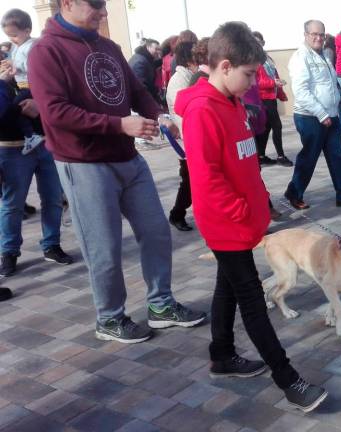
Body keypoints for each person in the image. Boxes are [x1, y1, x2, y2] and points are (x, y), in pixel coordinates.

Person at [29, 0, 206, 343]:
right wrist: (118, 125)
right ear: (67, 3)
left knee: (156, 231)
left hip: (127, 158)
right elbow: (54, 112)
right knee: (104, 247)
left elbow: (136, 91)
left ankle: (161, 304)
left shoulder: (108, 46)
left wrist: (159, 115)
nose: (104, 12)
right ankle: (109, 318)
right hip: (83, 163)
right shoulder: (45, 51)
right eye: (96, 4)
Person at [175, 21, 327, 413]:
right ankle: (289, 380)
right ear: (224, 66)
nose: (251, 82)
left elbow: (245, 163)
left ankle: (222, 353)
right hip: (227, 225)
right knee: (252, 299)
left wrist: (260, 203)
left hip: (245, 220)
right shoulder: (203, 110)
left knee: (227, 285)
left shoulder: (233, 102)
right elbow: (206, 178)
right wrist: (243, 213)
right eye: (247, 75)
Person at [0, 37, 73, 279]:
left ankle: (51, 244)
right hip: (11, 149)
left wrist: (39, 104)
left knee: (52, 199)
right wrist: (16, 102)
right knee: (12, 205)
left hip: (43, 144)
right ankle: (9, 251)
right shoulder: (4, 81)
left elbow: (55, 103)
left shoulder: (27, 72)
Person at [284, 20, 341, 211]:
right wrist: (321, 114)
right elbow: (301, 92)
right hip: (310, 117)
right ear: (305, 35)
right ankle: (294, 193)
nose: (319, 38)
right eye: (314, 34)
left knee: (338, 156)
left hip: (331, 116)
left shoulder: (324, 56)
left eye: (322, 34)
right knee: (309, 158)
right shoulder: (300, 57)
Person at [1, 9, 45, 155]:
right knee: (22, 109)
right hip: (22, 85)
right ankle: (31, 135)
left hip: (30, 86)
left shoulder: (32, 46)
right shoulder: (19, 46)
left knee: (17, 107)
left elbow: (30, 65)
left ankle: (30, 136)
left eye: (14, 35)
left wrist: (15, 66)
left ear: (27, 31)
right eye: (9, 36)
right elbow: (16, 61)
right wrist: (10, 63)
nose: (12, 39)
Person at [165, 41, 197, 231]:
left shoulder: (190, 75)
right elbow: (182, 113)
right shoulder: (179, 80)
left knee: (193, 182)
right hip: (186, 142)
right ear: (189, 59)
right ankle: (177, 214)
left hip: (191, 140)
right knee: (189, 182)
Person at [253, 32, 292, 167]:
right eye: (255, 42)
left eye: (260, 42)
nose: (258, 44)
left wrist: (279, 91)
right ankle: (280, 155)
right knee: (277, 126)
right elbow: (256, 82)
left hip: (271, 96)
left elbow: (274, 75)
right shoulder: (252, 60)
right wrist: (273, 83)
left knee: (267, 127)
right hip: (263, 98)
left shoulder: (266, 58)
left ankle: (261, 155)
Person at [128, 38, 161, 103]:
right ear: (148, 47)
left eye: (159, 50)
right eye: (156, 49)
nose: (158, 52)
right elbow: (140, 86)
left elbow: (151, 65)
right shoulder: (139, 61)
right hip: (141, 102)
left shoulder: (144, 58)